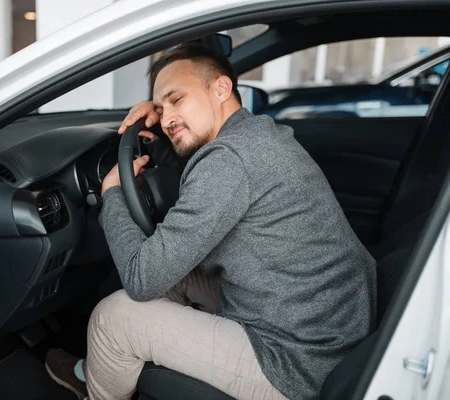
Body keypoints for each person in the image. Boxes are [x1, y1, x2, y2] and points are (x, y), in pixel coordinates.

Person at [45, 44, 376, 400]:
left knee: (114, 318)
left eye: (177, 99)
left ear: (220, 88)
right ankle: (99, 369)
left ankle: (94, 386)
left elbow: (141, 279)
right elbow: (195, 167)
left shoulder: (230, 160)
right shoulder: (254, 136)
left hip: (297, 360)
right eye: (160, 108)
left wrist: (112, 195)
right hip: (324, 325)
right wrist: (156, 123)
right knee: (178, 279)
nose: (168, 117)